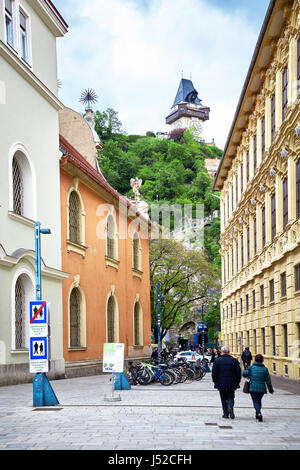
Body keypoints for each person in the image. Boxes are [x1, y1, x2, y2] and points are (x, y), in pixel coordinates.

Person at [212, 345, 241, 419]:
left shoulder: (217, 361)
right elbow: (238, 373)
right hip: (232, 383)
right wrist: (237, 381)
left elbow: (214, 373)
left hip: (220, 383)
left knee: (223, 398)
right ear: (229, 352)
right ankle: (230, 406)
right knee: (231, 397)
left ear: (222, 352)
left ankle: (225, 414)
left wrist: (215, 381)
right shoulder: (234, 360)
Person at [243, 354, 274, 422]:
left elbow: (244, 374)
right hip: (262, 388)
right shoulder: (265, 369)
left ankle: (259, 413)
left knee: (255, 401)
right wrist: (271, 390)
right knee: (259, 400)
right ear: (262, 361)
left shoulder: (251, 368)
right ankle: (257, 413)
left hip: (253, 388)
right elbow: (268, 380)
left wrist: (247, 371)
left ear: (255, 360)